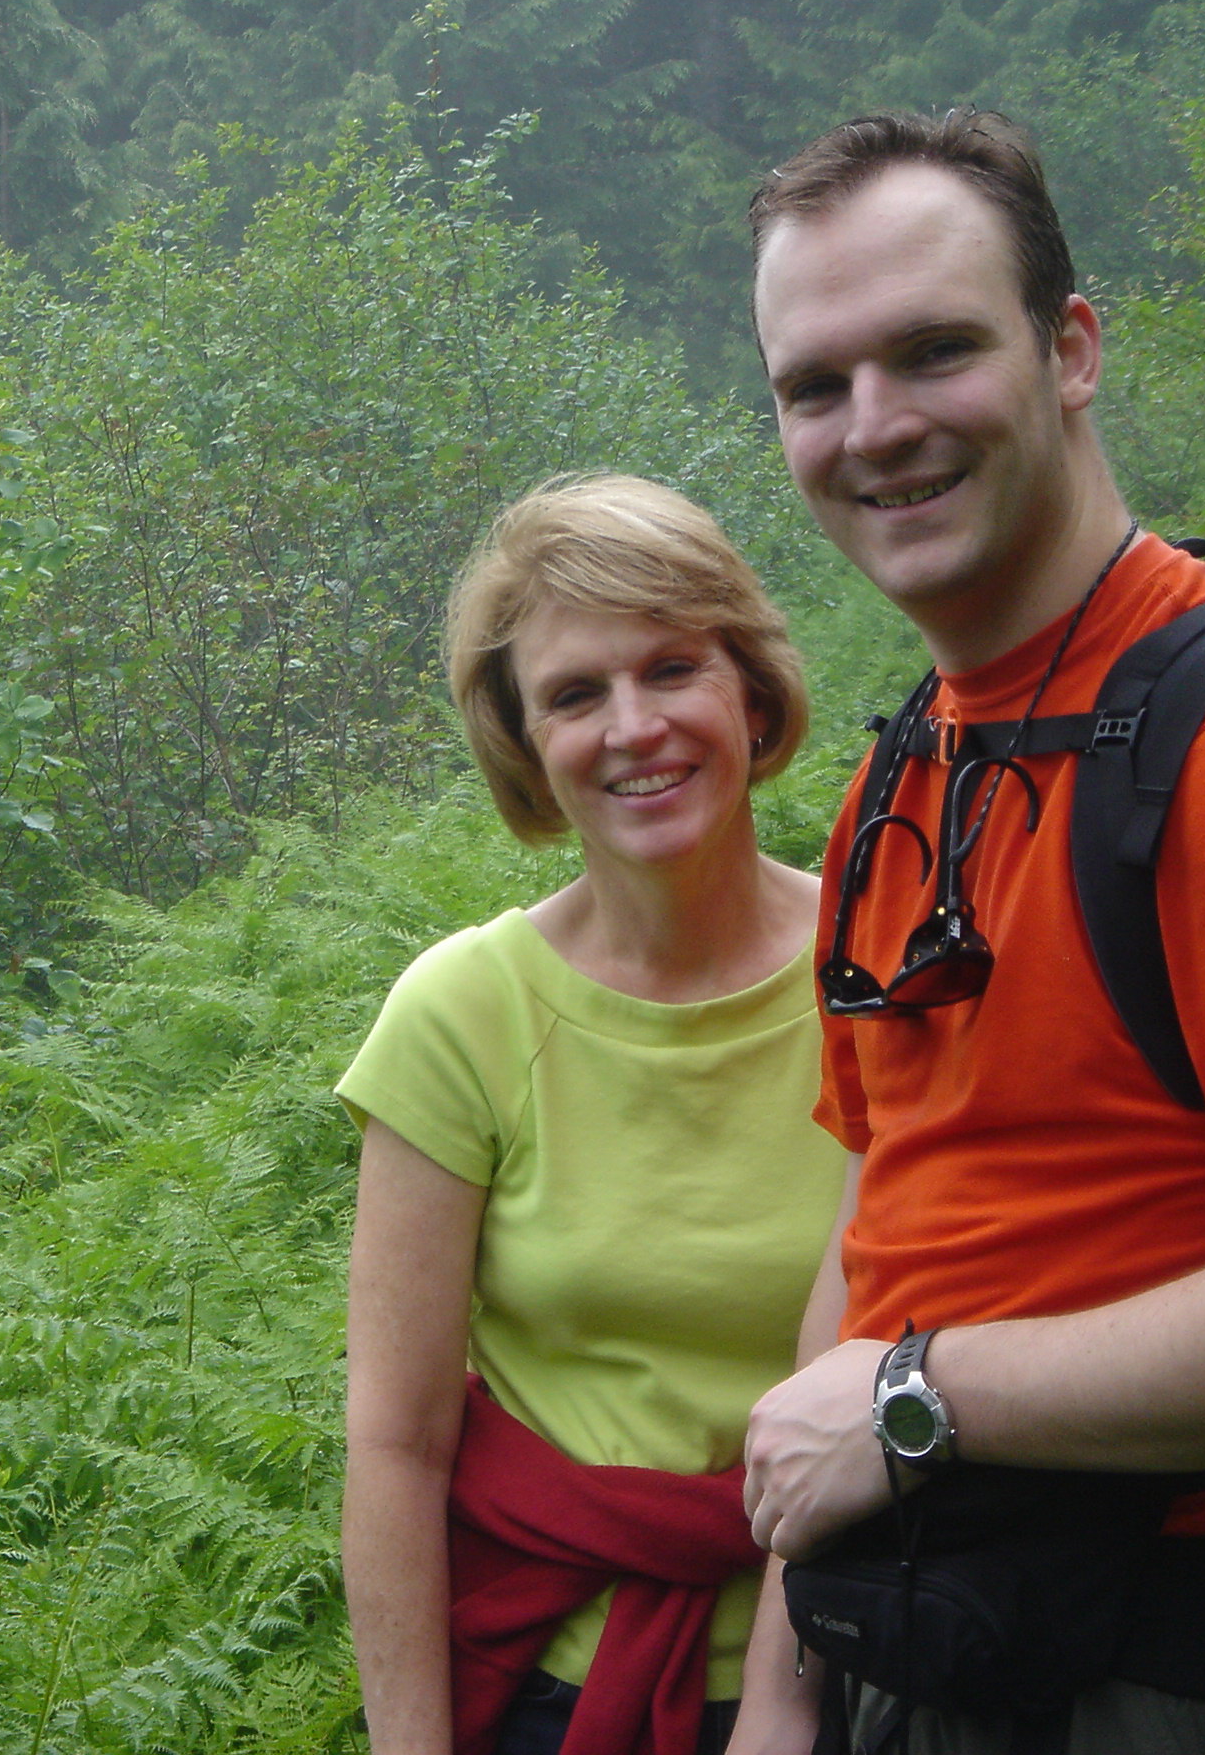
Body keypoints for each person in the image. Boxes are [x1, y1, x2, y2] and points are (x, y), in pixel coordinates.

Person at [737, 109, 1205, 1753]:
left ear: (1069, 349)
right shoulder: (902, 771)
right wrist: (783, 1694)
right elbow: (883, 1220)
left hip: (1190, 1672)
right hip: (924, 1644)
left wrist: (911, 1397)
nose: (875, 426)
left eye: (935, 350)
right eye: (815, 384)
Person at [339, 474, 845, 1755]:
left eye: (672, 668)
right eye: (574, 695)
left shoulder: (879, 966)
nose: (633, 728)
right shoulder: (463, 1014)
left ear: (752, 692)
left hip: (865, 1661)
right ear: (524, 742)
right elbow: (397, 1444)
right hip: (551, 1689)